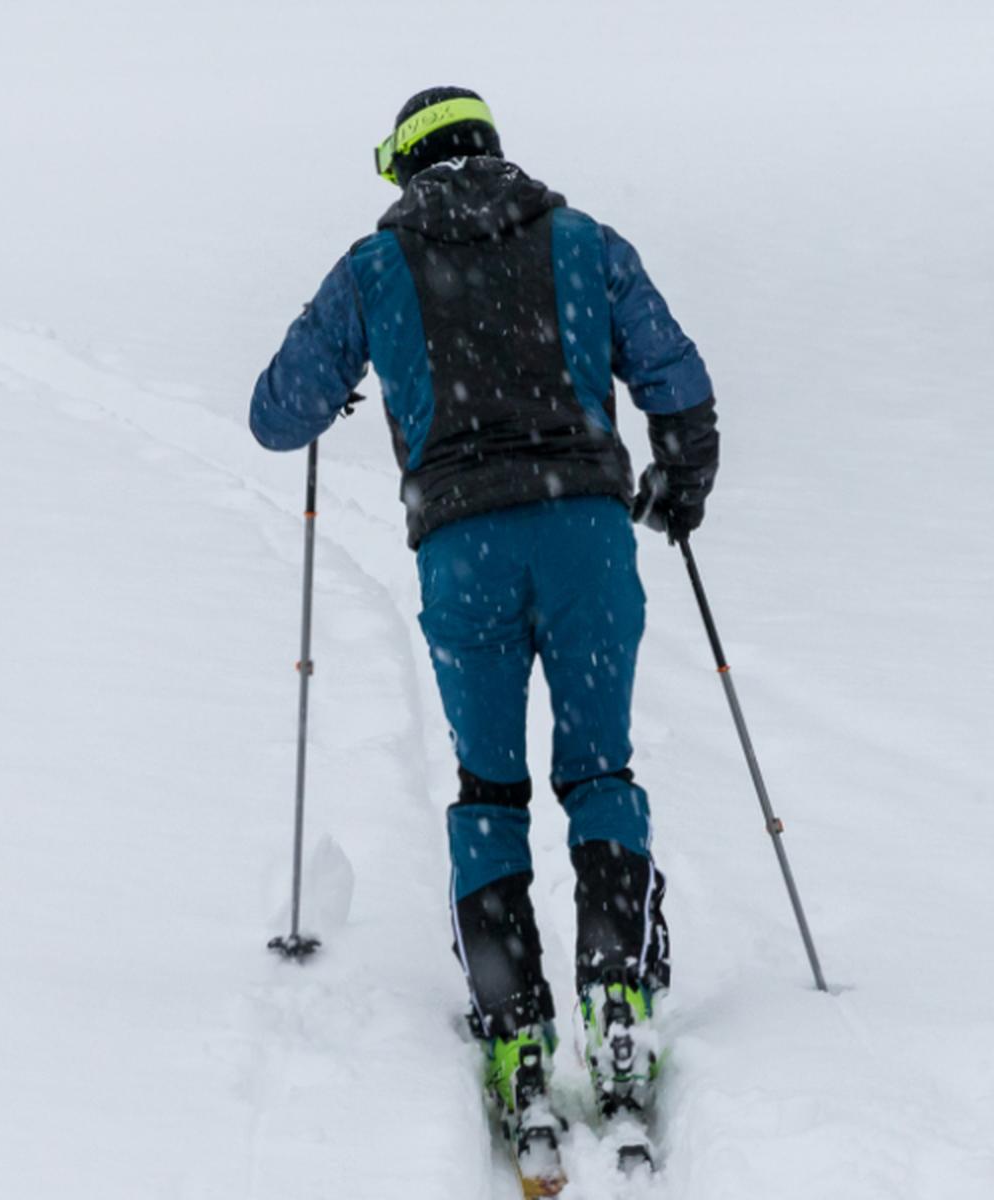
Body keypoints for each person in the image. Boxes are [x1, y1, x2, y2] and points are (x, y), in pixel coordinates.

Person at [248, 86, 717, 1188]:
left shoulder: (375, 267)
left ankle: (515, 1029)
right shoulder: (583, 240)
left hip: (465, 548)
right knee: (600, 770)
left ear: (408, 167)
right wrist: (680, 479)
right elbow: (678, 379)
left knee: (490, 787)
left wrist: (349, 385)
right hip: (587, 534)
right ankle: (617, 995)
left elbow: (278, 414)